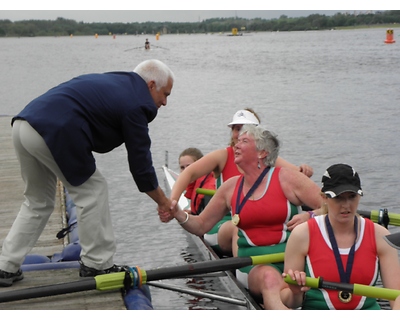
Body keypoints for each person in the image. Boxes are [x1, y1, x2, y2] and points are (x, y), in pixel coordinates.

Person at [0, 59, 175, 287]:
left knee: (38, 202)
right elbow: (141, 166)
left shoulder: (117, 82)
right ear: (151, 85)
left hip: (23, 124)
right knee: (93, 191)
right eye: (165, 94)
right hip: (54, 130)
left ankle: (6, 266)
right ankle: (97, 264)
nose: (164, 102)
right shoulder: (138, 102)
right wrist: (163, 202)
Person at [161, 124, 323, 309]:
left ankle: (291, 298)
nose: (236, 145)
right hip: (252, 266)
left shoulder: (287, 178)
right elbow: (201, 226)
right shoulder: (230, 188)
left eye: (244, 141)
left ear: (262, 153)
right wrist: (179, 215)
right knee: (270, 279)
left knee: (298, 289)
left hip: (292, 261)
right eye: (237, 141)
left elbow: (328, 205)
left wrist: (311, 215)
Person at [170, 108, 314, 255]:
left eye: (245, 129)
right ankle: (239, 270)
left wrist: (304, 170)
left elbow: (298, 176)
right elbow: (188, 173)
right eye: (236, 129)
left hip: (253, 224)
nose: (239, 134)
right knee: (237, 229)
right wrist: (172, 203)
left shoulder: (267, 159)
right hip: (223, 222)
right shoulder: (222, 156)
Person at [282, 164, 400, 310]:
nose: (346, 205)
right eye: (338, 198)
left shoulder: (380, 235)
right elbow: (290, 303)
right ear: (324, 197)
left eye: (352, 197)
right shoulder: (302, 234)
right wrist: (295, 293)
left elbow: (397, 297)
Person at [178, 148, 216, 215]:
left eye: (189, 166)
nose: (185, 171)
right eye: (182, 167)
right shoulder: (196, 184)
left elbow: (209, 221)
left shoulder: (208, 190)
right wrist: (192, 213)